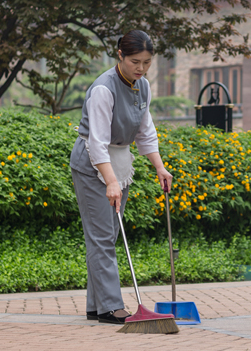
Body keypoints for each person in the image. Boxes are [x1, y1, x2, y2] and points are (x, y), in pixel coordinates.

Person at [69, 30, 173, 324]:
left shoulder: (143, 87)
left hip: (120, 160)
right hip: (92, 164)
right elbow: (97, 141)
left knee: (107, 235)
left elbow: (145, 132)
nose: (140, 68)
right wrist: (110, 180)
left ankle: (96, 304)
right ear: (120, 55)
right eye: (134, 61)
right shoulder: (104, 88)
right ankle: (112, 307)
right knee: (102, 237)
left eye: (147, 62)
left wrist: (159, 167)